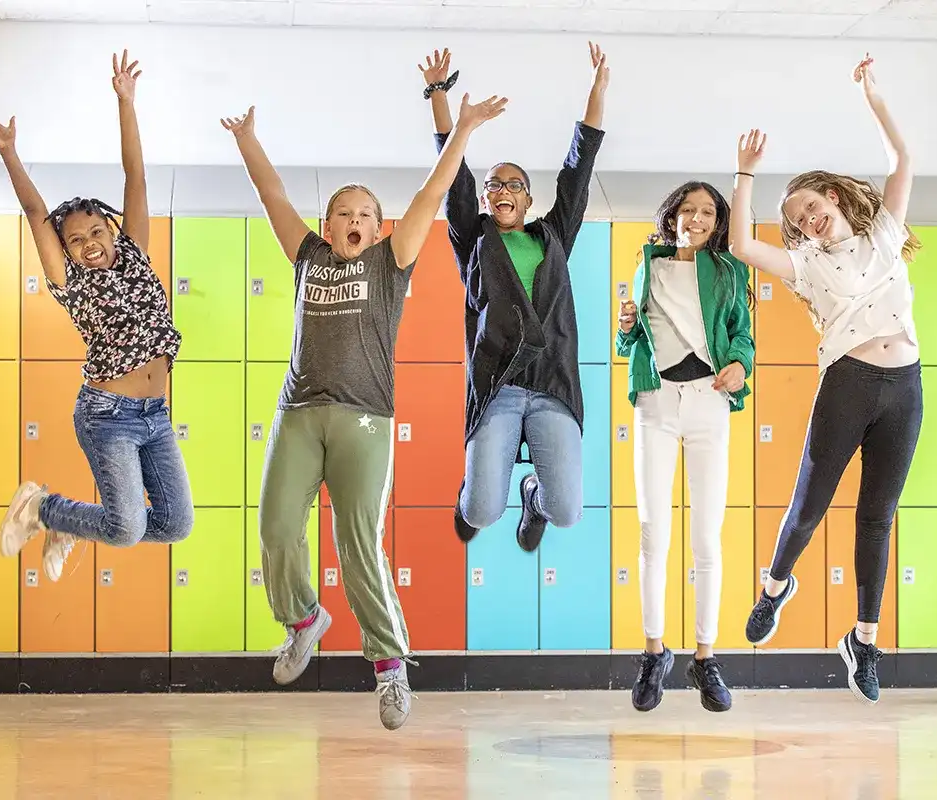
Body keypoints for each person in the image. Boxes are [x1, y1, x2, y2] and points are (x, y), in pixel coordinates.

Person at [220, 88, 508, 731]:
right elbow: (273, 198)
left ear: (377, 227)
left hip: (364, 420)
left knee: (358, 548)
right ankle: (302, 621)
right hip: (299, 411)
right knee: (274, 529)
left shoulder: (390, 261)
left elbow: (433, 194)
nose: (353, 221)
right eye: (342, 213)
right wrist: (247, 143)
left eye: (364, 214)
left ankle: (389, 668)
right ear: (327, 227)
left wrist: (461, 129)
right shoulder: (308, 258)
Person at [729, 54, 922, 705]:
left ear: (832, 198)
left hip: (906, 386)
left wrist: (874, 95)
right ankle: (775, 588)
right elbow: (739, 246)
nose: (806, 221)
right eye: (796, 220)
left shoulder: (885, 236)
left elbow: (902, 159)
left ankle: (862, 641)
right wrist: (746, 176)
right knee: (808, 507)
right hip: (848, 382)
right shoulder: (803, 265)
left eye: (810, 208)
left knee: (879, 516)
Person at [0, 50, 193, 583]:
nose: (89, 243)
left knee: (174, 524)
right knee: (125, 528)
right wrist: (10, 152)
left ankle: (71, 524)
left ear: (112, 230)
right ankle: (46, 510)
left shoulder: (137, 251)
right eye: (75, 240)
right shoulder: (71, 283)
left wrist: (126, 102)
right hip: (109, 414)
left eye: (96, 231)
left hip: (155, 414)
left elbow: (135, 175)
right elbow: (36, 213)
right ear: (68, 252)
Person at [419, 44, 608, 552]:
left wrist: (597, 93)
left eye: (515, 184)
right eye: (494, 184)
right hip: (497, 386)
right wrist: (440, 96)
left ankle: (533, 496)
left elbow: (577, 170)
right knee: (480, 509)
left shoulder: (553, 238)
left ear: (528, 199)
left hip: (552, 383)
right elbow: (451, 174)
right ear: (485, 199)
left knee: (566, 512)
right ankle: (475, 496)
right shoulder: (474, 237)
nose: (503, 189)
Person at [616, 181, 755, 713]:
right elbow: (628, 340)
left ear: (716, 222)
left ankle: (705, 658)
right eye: (687, 210)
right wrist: (625, 326)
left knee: (706, 537)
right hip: (655, 401)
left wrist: (740, 365)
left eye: (706, 212)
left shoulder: (728, 271)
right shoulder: (647, 264)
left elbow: (742, 336)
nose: (695, 219)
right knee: (653, 532)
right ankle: (654, 653)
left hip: (707, 403)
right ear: (671, 215)